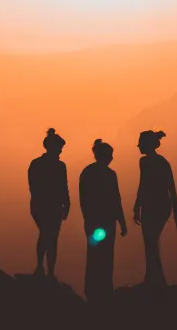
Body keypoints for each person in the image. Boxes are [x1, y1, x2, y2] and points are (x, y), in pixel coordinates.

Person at [79, 139, 127, 302]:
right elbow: (116, 200)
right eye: (111, 154)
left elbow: (83, 199)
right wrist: (122, 222)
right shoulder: (109, 174)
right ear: (104, 155)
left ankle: (92, 289)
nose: (112, 158)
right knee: (106, 256)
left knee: (94, 254)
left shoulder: (87, 172)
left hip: (94, 221)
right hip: (105, 221)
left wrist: (87, 219)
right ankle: (104, 288)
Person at [133, 130, 177, 286]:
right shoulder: (149, 162)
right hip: (153, 205)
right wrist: (137, 206)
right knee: (150, 242)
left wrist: (176, 212)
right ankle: (154, 277)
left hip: (158, 206)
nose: (138, 145)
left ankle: (155, 279)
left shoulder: (158, 162)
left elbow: (170, 186)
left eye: (140, 143)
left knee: (150, 241)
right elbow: (144, 184)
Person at [28, 128, 71, 280]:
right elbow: (36, 187)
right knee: (49, 235)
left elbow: (63, 186)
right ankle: (45, 269)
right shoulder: (52, 165)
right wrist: (65, 204)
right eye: (59, 148)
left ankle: (44, 269)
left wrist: (66, 203)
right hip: (46, 206)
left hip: (46, 206)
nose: (60, 152)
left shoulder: (39, 164)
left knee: (48, 235)